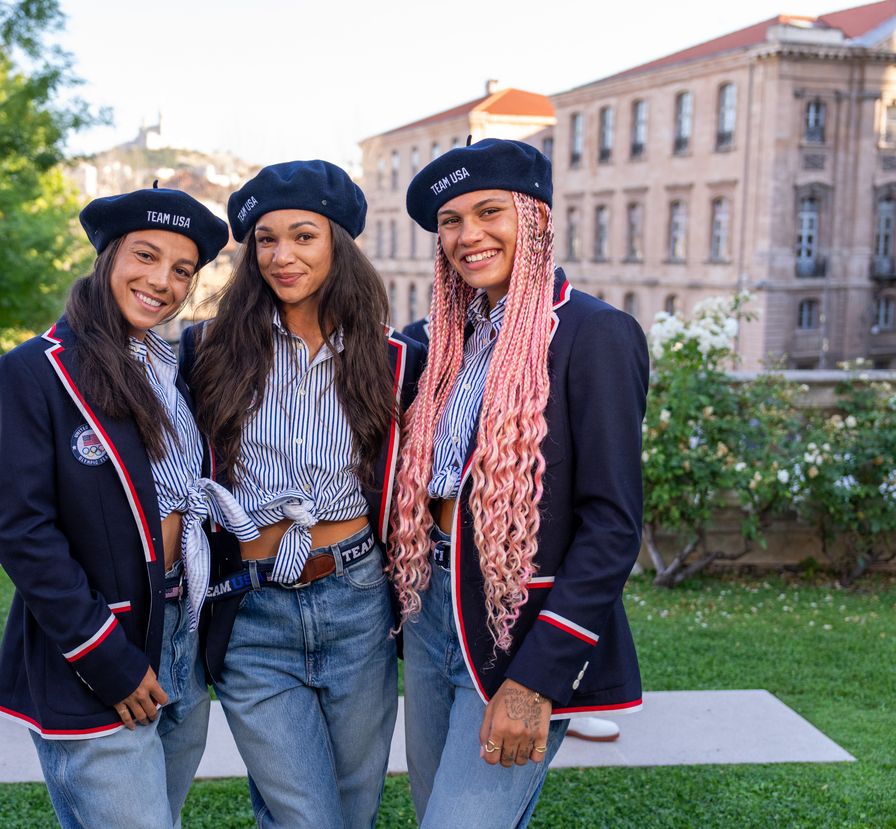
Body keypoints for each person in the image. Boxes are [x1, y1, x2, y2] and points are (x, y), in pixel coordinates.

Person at [387, 138, 649, 828]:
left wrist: (537, 678)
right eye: (451, 221)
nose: (468, 235)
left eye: (489, 212)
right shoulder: (444, 340)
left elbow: (613, 523)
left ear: (533, 219)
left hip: (516, 627)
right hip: (430, 607)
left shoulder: (595, 334)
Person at [0, 185, 257, 829]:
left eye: (182, 270)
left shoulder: (173, 367)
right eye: (145, 255)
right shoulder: (33, 372)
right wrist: (105, 656)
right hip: (97, 646)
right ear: (107, 256)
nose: (161, 281)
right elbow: (24, 533)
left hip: (180, 635)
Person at [180, 160, 424, 829]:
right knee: (305, 816)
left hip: (356, 603)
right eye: (265, 239)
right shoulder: (206, 353)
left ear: (338, 244)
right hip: (252, 610)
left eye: (303, 236)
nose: (282, 255)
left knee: (351, 808)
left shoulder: (392, 358)